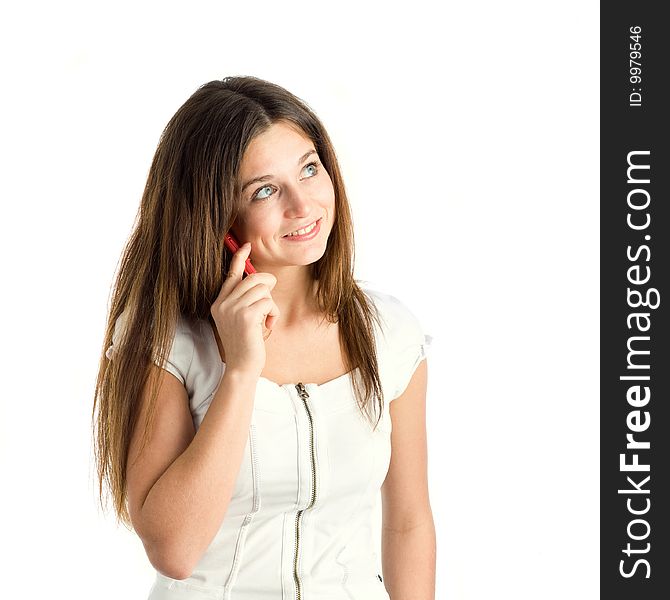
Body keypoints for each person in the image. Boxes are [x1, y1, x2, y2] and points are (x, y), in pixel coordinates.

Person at [92, 76, 435, 600]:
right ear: (217, 216)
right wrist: (241, 370)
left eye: (309, 168)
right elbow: (175, 552)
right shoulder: (166, 340)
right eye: (266, 190)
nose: (304, 205)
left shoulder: (388, 333)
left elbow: (408, 521)